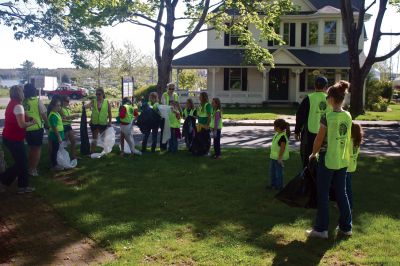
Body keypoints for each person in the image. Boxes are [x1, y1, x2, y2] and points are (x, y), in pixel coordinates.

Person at [307, 80, 353, 239]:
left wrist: (313, 154)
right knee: (342, 192)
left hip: (328, 159)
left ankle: (321, 229)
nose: (326, 99)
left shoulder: (327, 116)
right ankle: (346, 227)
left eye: (328, 97)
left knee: (323, 193)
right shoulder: (348, 115)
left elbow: (319, 140)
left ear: (332, 99)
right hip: (342, 160)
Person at [1, 85, 37, 194]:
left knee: (21, 162)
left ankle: (22, 186)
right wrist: (32, 122)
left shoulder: (13, 104)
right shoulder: (18, 106)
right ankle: (4, 180)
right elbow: (21, 125)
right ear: (20, 93)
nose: (24, 93)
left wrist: (29, 118)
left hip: (11, 137)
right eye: (22, 91)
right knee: (22, 163)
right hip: (13, 138)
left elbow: (21, 117)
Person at [295, 76, 330, 167]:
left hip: (310, 133)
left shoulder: (308, 98)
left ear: (314, 86)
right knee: (323, 157)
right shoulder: (330, 99)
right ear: (326, 87)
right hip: (325, 134)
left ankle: (308, 176)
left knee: (308, 157)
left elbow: (300, 115)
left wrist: (297, 131)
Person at [23, 83, 49, 176]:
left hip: (26, 128)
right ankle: (33, 169)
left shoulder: (23, 101)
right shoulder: (37, 101)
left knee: (31, 149)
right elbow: (43, 114)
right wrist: (47, 124)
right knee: (37, 149)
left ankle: (29, 167)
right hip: (36, 128)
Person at [86, 88, 112, 153]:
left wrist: (110, 122)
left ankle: (105, 151)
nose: (97, 96)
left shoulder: (107, 102)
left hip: (103, 123)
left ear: (103, 94)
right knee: (94, 138)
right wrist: (85, 106)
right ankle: (92, 151)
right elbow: (87, 106)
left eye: (99, 94)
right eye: (96, 94)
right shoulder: (94, 101)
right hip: (94, 123)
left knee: (103, 138)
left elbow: (109, 113)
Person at [268, 119, 290, 190]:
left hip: (278, 159)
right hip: (273, 158)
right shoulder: (278, 134)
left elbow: (282, 148)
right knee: (272, 172)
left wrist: (280, 158)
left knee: (278, 173)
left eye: (274, 126)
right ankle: (273, 185)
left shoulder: (282, 137)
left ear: (278, 127)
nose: (273, 127)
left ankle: (279, 186)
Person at [346, 123, 363, 211]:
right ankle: (340, 203)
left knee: (347, 188)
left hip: (346, 167)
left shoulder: (349, 142)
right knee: (345, 187)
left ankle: (350, 206)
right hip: (352, 166)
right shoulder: (357, 141)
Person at [160, 83, 180, 150]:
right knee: (166, 132)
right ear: (167, 88)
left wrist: (177, 112)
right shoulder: (164, 95)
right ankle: (165, 147)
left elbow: (177, 105)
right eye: (170, 89)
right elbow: (163, 105)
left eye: (173, 89)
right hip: (166, 116)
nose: (171, 90)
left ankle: (173, 148)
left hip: (174, 116)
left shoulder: (176, 95)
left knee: (174, 134)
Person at [48, 97, 65, 171]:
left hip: (57, 135)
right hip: (55, 136)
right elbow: (54, 128)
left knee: (56, 149)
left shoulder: (56, 113)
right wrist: (59, 137)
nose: (59, 107)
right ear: (52, 106)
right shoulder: (53, 115)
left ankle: (55, 163)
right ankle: (54, 165)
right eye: (57, 105)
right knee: (54, 150)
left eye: (60, 105)